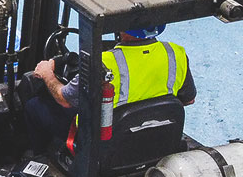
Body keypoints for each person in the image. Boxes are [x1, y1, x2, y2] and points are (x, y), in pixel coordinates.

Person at [23, 25, 196, 152]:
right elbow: (188, 99)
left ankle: (36, 156)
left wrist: (47, 74)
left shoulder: (104, 63)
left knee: (34, 106)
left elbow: (64, 99)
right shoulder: (175, 53)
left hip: (107, 145)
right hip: (156, 140)